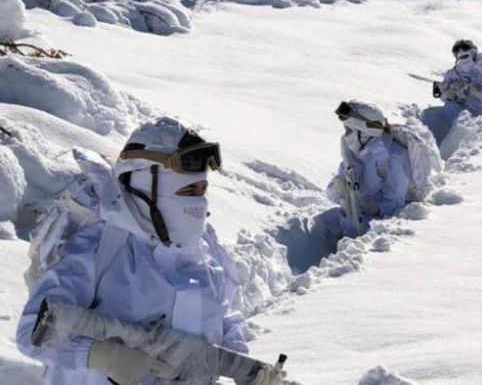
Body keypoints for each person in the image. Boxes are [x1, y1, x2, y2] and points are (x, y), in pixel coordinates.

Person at [16, 117, 284, 385]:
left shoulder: (206, 250)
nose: (198, 201)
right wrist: (102, 355)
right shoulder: (101, 245)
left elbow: (223, 320)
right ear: (146, 185)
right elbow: (31, 329)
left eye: (202, 189)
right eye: (188, 189)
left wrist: (245, 370)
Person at [325, 100, 412, 236]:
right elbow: (332, 196)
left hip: (378, 232)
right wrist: (337, 187)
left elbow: (397, 203)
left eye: (349, 130)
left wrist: (375, 208)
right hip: (350, 223)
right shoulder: (354, 154)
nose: (345, 136)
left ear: (363, 132)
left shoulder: (394, 157)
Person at [422, 39, 482, 144]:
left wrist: (479, 94)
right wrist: (449, 94)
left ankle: (471, 137)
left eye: (466, 55)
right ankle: (456, 136)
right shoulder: (454, 73)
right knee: (449, 107)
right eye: (460, 57)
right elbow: (442, 93)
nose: (464, 60)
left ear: (473, 54)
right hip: (464, 112)